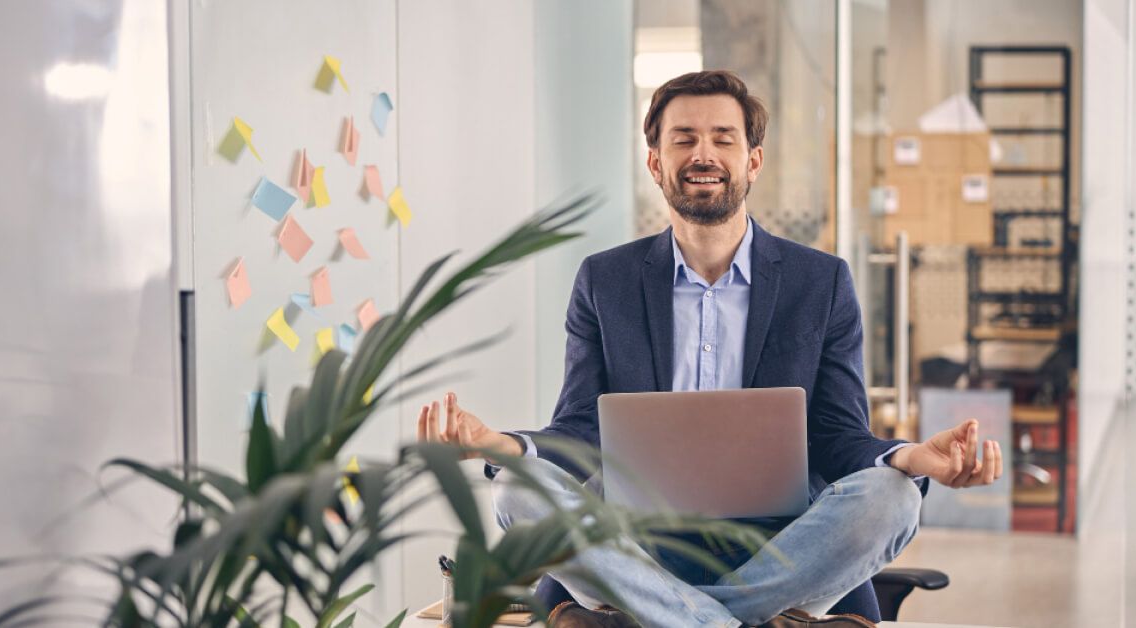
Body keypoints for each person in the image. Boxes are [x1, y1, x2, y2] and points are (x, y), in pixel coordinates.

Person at [415, 70, 1002, 628]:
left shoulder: (819, 282)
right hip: (636, 541)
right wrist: (501, 445)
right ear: (656, 162)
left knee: (893, 497)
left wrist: (910, 459)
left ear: (752, 161)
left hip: (781, 542)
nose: (704, 154)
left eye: (723, 138)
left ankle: (664, 615)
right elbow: (580, 432)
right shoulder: (605, 280)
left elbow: (836, 436)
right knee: (518, 487)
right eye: (684, 139)